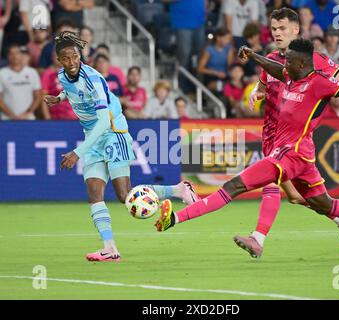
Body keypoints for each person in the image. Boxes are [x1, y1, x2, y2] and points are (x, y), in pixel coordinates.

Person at [155, 39, 339, 261]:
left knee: (233, 186)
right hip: (299, 156)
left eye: (290, 61)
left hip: (291, 154)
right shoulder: (290, 75)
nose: (285, 65)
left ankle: (174, 218)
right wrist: (254, 56)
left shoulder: (321, 83)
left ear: (302, 64)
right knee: (326, 204)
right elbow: (275, 68)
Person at [43, 32, 199, 262]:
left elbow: (104, 120)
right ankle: (110, 249)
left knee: (124, 195)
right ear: (59, 61)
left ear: (80, 56)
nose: (72, 62)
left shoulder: (93, 79)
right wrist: (59, 98)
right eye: (66, 59)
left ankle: (178, 190)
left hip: (113, 132)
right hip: (92, 136)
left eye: (75, 57)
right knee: (94, 192)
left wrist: (78, 152)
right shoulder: (63, 77)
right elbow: (71, 90)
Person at [236, 8, 339, 256]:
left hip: (293, 140)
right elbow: (263, 84)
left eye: (282, 28)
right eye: (273, 29)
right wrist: (257, 93)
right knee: (297, 197)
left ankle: (257, 239)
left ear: (296, 30)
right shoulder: (270, 58)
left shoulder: (317, 60)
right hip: (270, 135)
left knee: (275, 186)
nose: (277, 33)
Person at [0, 44, 42, 120]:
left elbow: (38, 96)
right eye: (11, 53)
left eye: (17, 53)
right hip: (7, 119)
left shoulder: (32, 72)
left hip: (28, 118)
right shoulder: (1, 73)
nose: (14, 56)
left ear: (21, 55)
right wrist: (12, 116)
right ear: (7, 56)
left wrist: (27, 113)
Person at [197, 27, 234, 92]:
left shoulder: (229, 49)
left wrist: (230, 54)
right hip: (211, 77)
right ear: (218, 38)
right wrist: (216, 73)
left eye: (229, 39)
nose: (228, 41)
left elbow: (230, 66)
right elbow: (200, 69)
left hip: (225, 76)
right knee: (222, 86)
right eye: (226, 38)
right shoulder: (209, 50)